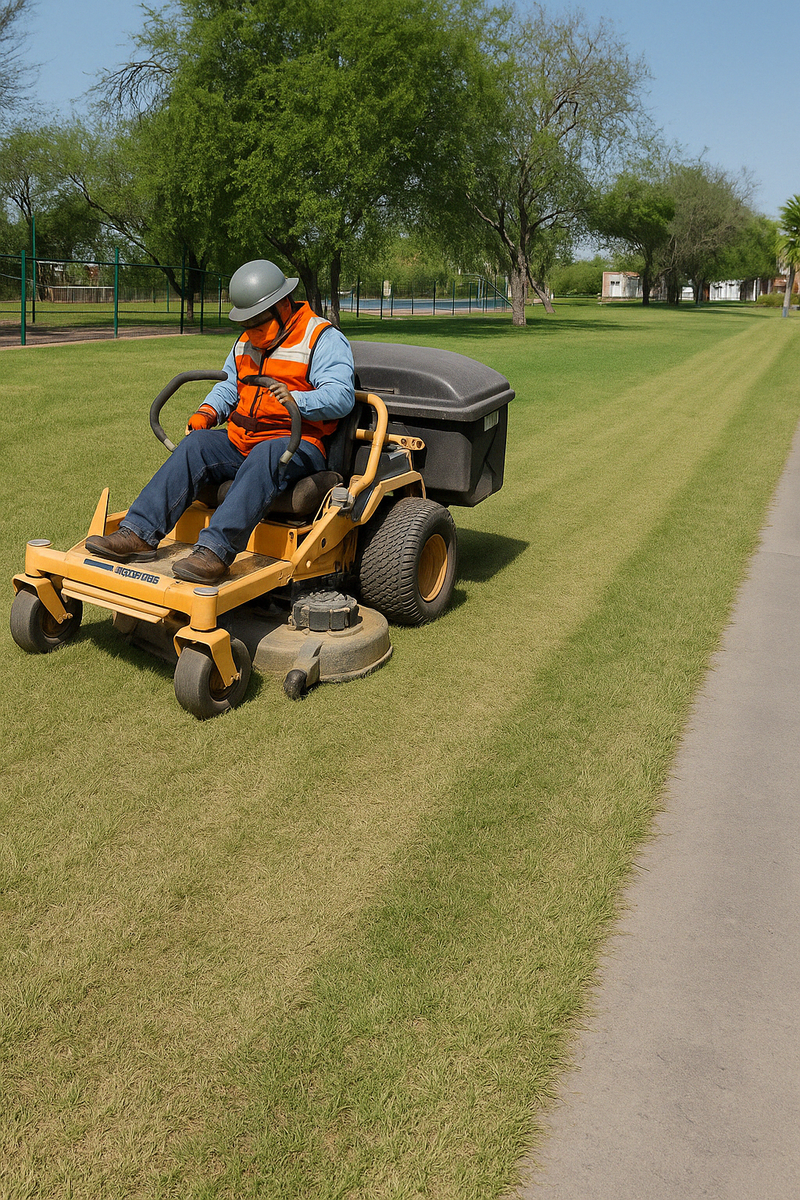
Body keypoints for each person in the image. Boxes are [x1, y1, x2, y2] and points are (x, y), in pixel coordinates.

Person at [86, 260, 355, 585]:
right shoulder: (245, 341)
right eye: (247, 325)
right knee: (196, 444)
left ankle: (214, 551)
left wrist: (297, 399)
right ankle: (138, 534)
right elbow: (229, 385)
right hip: (242, 439)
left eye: (259, 324)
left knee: (267, 454)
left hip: (297, 443)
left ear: (283, 306)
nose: (253, 334)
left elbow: (341, 396)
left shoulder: (321, 337)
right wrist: (207, 412)